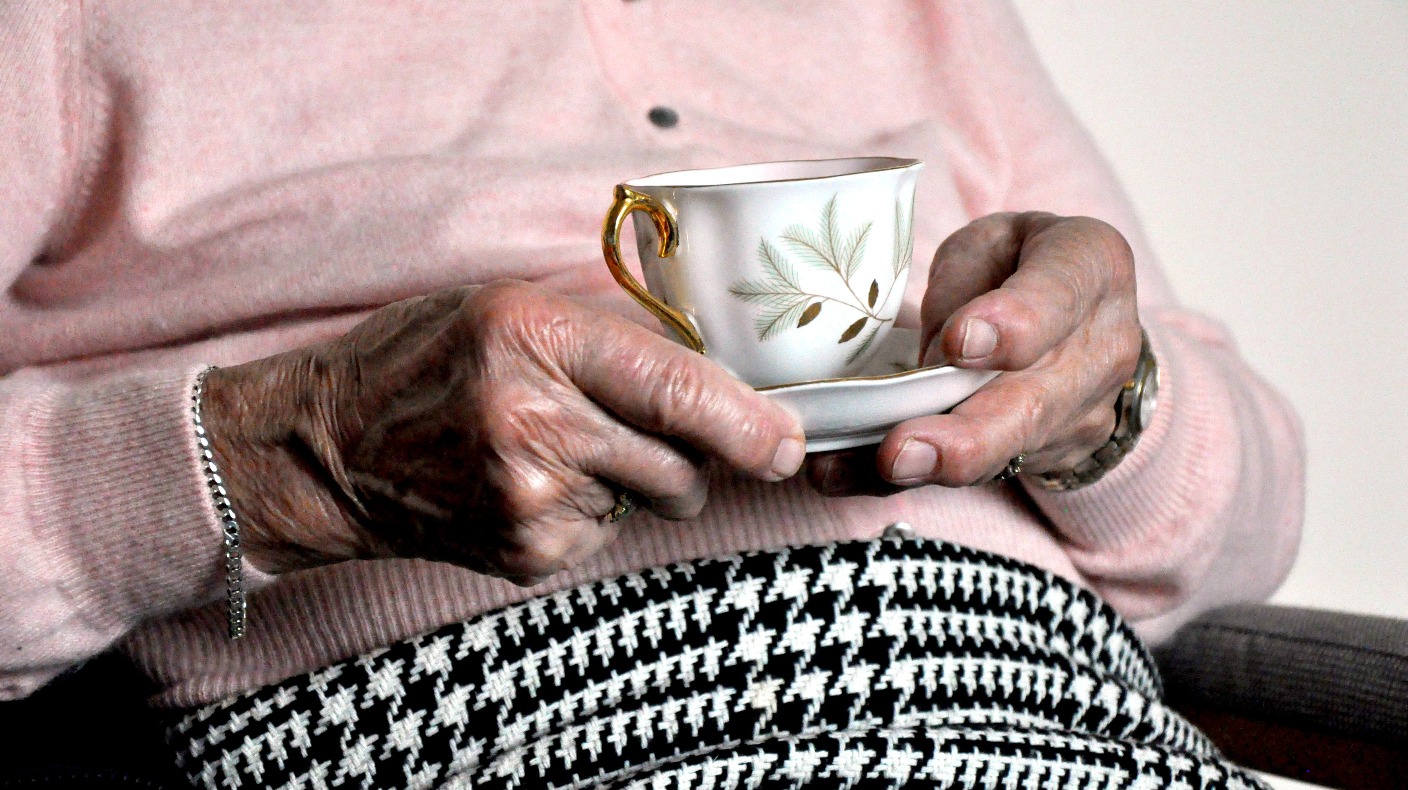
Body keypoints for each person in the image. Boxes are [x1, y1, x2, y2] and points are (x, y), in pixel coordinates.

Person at [1, 2, 1301, 787]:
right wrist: (294, 457)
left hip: (1057, 705)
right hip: (473, 717)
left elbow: (1252, 518)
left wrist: (1106, 405)